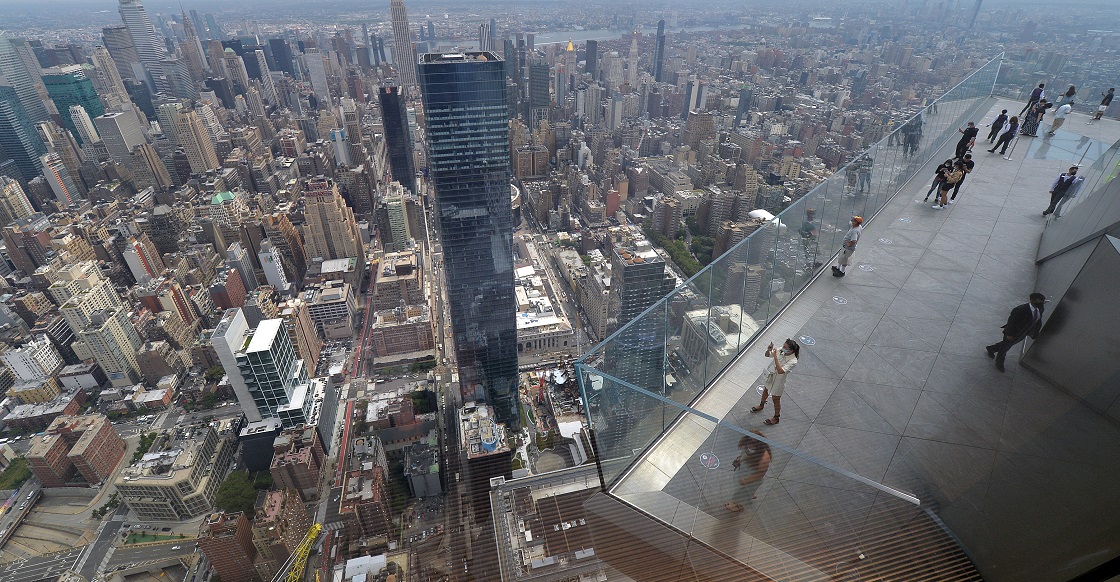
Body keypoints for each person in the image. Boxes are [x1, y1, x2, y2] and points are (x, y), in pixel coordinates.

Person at [986, 293, 1046, 372]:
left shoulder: (1040, 309)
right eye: (1039, 301)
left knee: (1005, 344)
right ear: (1032, 300)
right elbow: (1011, 322)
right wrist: (1009, 334)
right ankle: (999, 362)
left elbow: (1038, 320)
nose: (1042, 304)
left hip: (1023, 333)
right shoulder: (1020, 309)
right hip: (1013, 333)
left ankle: (991, 348)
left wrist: (1035, 332)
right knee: (1005, 348)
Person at [749, 339, 799, 425]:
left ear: (791, 350)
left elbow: (781, 371)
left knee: (775, 399)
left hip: (779, 381)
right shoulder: (780, 350)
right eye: (783, 346)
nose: (782, 348)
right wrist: (768, 350)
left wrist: (775, 357)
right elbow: (767, 355)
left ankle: (776, 417)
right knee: (765, 390)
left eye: (785, 347)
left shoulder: (793, 361)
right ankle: (761, 405)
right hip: (771, 376)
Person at [725, 430, 771, 513]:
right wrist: (739, 458)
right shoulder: (747, 444)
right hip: (743, 471)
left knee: (739, 491)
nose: (749, 445)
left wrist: (745, 481)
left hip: (751, 477)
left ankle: (736, 505)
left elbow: (760, 474)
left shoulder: (764, 457)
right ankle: (749, 494)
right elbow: (743, 453)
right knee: (743, 489)